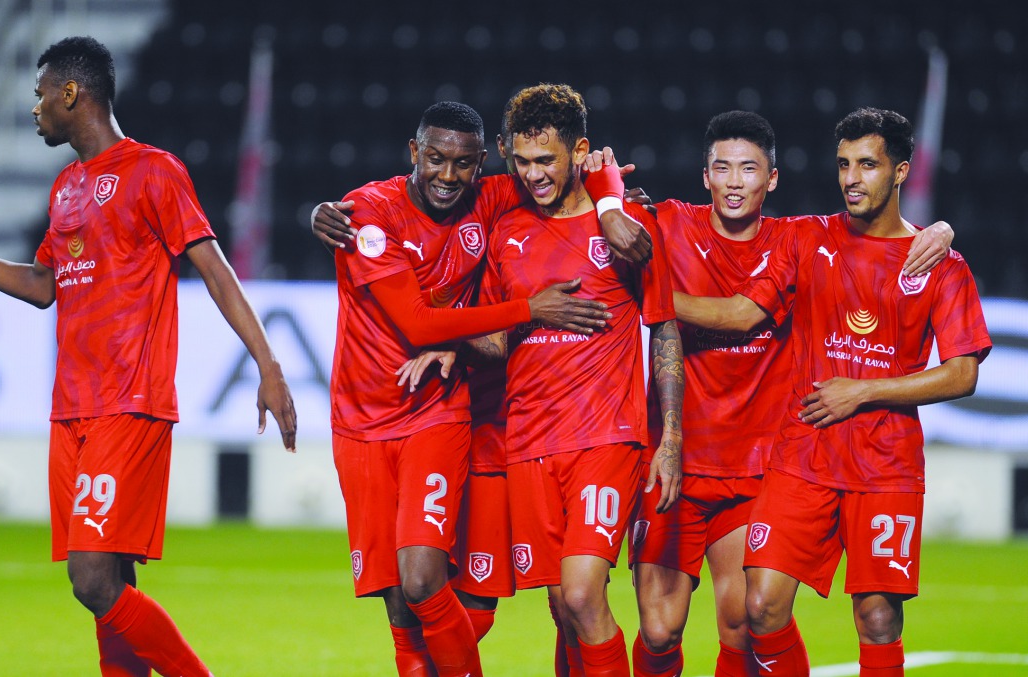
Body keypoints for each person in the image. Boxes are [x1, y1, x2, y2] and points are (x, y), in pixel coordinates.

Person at [0, 36, 298, 676]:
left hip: (128, 403)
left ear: (71, 92)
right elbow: (43, 285)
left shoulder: (154, 171)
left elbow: (214, 270)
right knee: (111, 588)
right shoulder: (67, 187)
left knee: (91, 580)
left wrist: (268, 365)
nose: (36, 106)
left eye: (41, 92)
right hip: (72, 407)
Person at [614, 111, 953, 677]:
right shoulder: (669, 223)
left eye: (749, 169)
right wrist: (606, 196)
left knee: (745, 619)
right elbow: (588, 221)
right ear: (705, 176)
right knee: (657, 627)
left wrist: (939, 229)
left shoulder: (800, 238)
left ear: (772, 180)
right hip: (674, 458)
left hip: (755, 465)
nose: (735, 180)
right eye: (722, 168)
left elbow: (753, 310)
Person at [327, 100, 637, 677]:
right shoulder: (370, 211)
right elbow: (417, 324)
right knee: (402, 604)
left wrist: (614, 201)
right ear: (414, 152)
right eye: (437, 159)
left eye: (464, 163)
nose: (450, 176)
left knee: (438, 584)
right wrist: (529, 309)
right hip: (362, 419)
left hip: (444, 410)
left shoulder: (492, 198)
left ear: (481, 162)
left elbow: (582, 164)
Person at [482, 83, 683, 677]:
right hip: (529, 442)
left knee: (579, 594)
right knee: (561, 607)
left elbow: (665, 330)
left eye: (546, 160)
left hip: (605, 438)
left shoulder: (626, 227)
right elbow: (496, 338)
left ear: (580, 151)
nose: (533, 174)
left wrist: (668, 437)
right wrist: (436, 339)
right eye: (521, 160)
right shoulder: (506, 232)